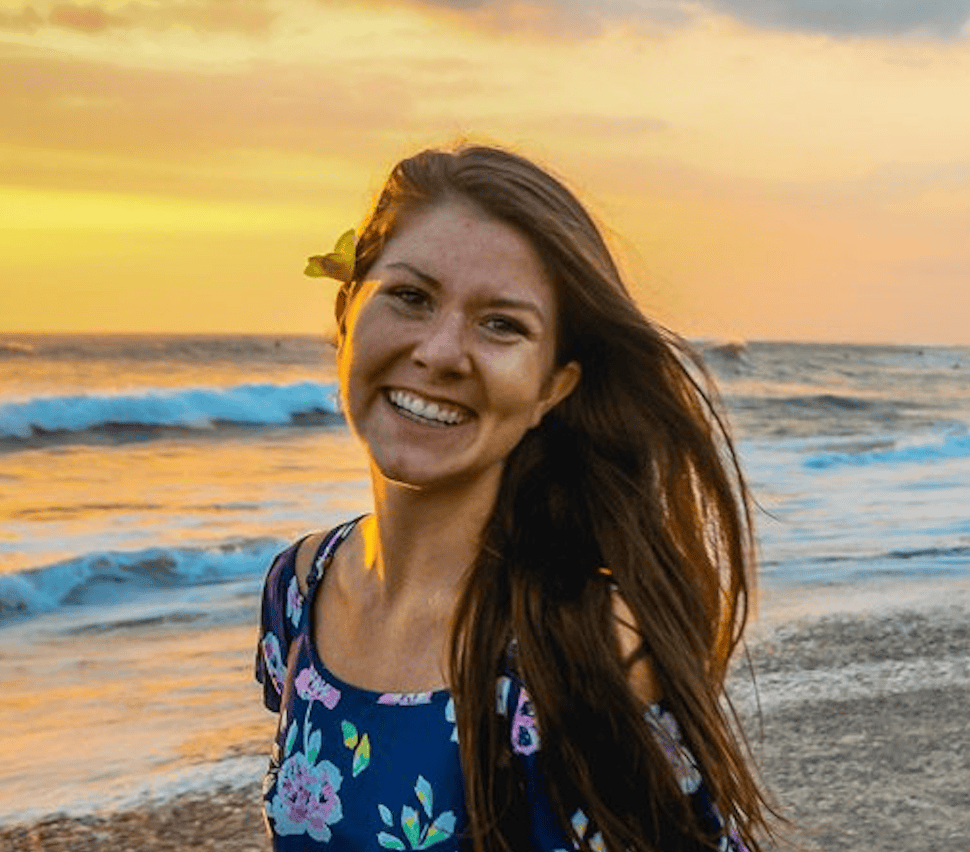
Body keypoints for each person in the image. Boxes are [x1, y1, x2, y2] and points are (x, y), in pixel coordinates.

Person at [255, 145, 774, 851]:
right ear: (348, 312)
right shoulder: (300, 589)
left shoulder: (583, 642)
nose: (440, 352)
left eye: (501, 324)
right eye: (410, 296)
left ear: (552, 388)